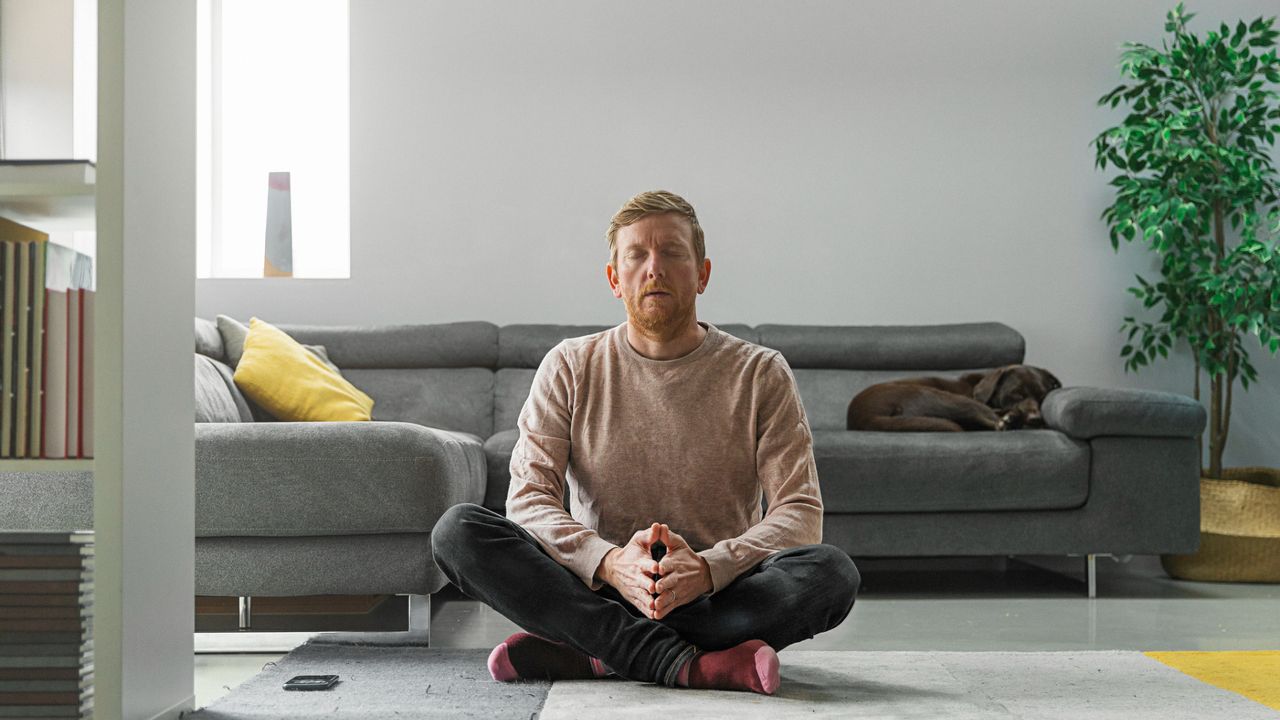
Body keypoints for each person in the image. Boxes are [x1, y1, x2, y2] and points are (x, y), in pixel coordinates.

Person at [432, 190, 859, 695]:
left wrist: (705, 568)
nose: (653, 268)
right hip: (598, 588)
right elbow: (528, 500)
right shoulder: (570, 365)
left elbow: (799, 512)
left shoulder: (761, 373)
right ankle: (692, 664)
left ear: (701, 273)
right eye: (636, 255)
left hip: (716, 593)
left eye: (673, 253)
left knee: (832, 573)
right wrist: (611, 563)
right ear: (615, 279)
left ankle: (596, 652)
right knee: (457, 533)